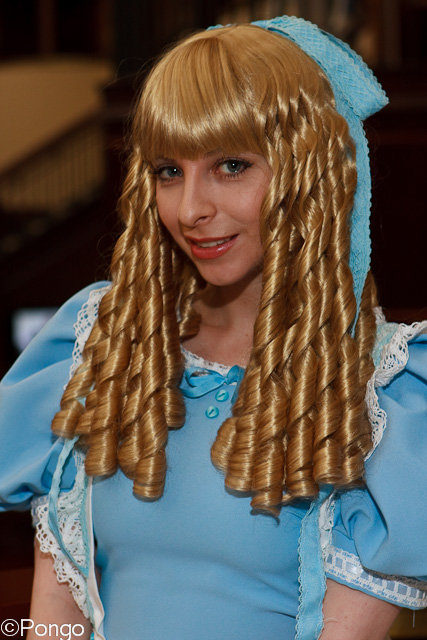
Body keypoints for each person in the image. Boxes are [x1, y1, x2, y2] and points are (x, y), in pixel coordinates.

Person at [1, 15, 426, 640]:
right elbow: (55, 608)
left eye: (230, 166)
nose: (191, 209)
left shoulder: (382, 390)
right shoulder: (101, 341)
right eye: (168, 171)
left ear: (307, 174)